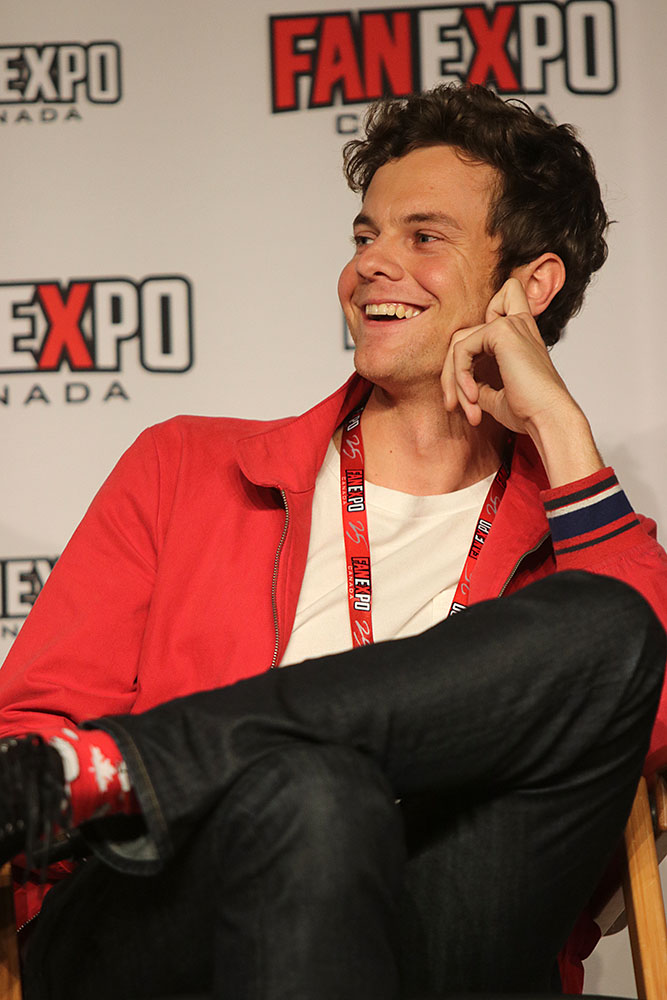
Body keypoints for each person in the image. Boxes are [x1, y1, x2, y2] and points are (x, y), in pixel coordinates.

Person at [1, 84, 666, 999]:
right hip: (170, 919)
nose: (369, 268)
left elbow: (644, 718)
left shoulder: (578, 533)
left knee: (617, 629)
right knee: (318, 797)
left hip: (438, 935)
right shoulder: (186, 465)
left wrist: (559, 434)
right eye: (364, 237)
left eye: (422, 238)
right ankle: (178, 775)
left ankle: (158, 759)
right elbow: (29, 738)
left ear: (529, 284)